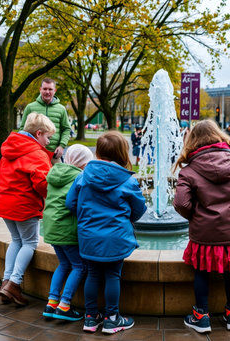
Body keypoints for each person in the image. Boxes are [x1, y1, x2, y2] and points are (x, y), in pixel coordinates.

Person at [173, 120, 230, 333]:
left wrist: (196, 215)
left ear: (193, 141)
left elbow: (181, 203)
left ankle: (201, 316)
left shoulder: (189, 171)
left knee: (201, 272)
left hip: (203, 233)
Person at [66, 131, 147, 334]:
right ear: (122, 153)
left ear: (98, 152)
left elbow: (70, 204)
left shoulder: (82, 176)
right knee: (112, 275)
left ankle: (91, 318)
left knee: (92, 274)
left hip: (88, 237)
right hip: (116, 238)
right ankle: (112, 319)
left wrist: (87, 216)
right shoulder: (127, 181)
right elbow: (140, 209)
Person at [0, 113, 56, 306]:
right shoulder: (36, 153)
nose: (48, 142)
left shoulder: (11, 147)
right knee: (30, 243)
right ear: (38, 134)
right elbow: (42, 184)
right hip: (24, 205)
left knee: (16, 240)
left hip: (5, 202)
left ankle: (6, 281)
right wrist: (54, 193)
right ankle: (14, 283)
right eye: (48, 137)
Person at [42, 144, 94, 321]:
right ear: (81, 164)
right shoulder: (79, 177)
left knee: (64, 264)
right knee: (80, 266)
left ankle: (51, 302)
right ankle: (64, 306)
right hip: (67, 230)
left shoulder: (56, 173)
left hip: (51, 228)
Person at [20, 78, 71, 164]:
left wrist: (62, 146)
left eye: (50, 89)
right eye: (45, 89)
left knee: (57, 177)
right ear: (40, 90)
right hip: (34, 153)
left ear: (55, 91)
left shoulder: (61, 109)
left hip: (54, 154)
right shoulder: (30, 107)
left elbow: (66, 129)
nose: (47, 92)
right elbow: (23, 130)